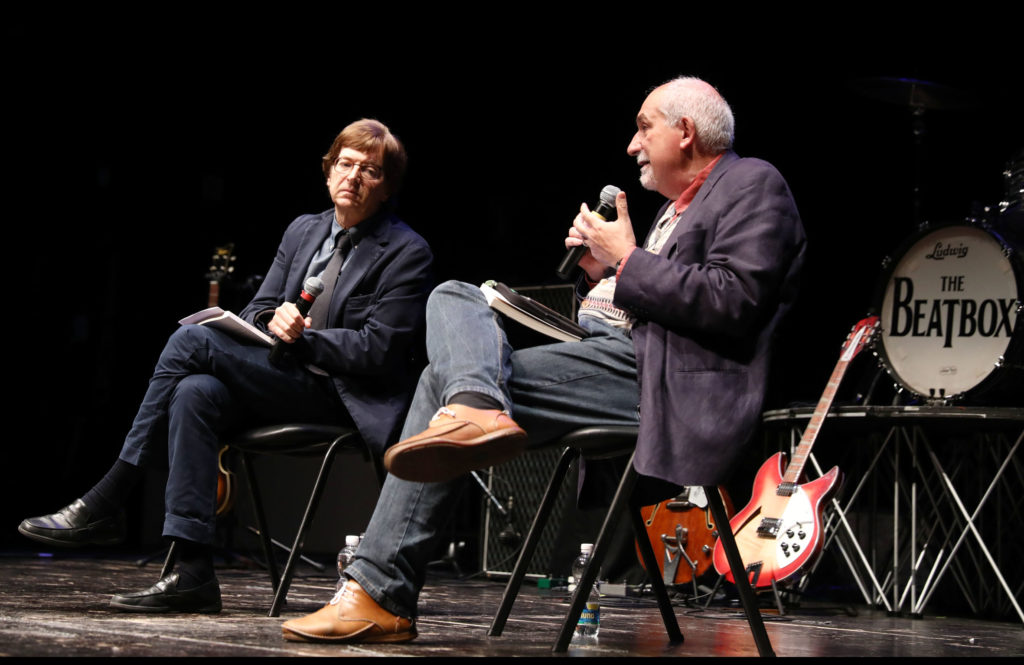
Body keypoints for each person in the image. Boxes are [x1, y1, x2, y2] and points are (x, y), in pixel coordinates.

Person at [279, 76, 806, 644]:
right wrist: (600, 277)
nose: (633, 144)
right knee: (455, 294)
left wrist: (626, 259)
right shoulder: (674, 210)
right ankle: (472, 410)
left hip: (660, 382)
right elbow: (647, 296)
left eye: (643, 127)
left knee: (441, 379)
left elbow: (734, 300)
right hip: (609, 354)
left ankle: (379, 590)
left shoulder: (752, 184)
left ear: (685, 131)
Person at [18, 118, 434, 613]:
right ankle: (191, 569)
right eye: (345, 164)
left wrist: (307, 340)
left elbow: (379, 351)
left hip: (341, 394)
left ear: (387, 188)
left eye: (371, 170)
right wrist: (271, 320)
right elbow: (256, 308)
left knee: (190, 342)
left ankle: (113, 494)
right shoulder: (304, 230)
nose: (353, 177)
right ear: (328, 172)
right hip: (280, 374)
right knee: (195, 390)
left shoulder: (407, 251)